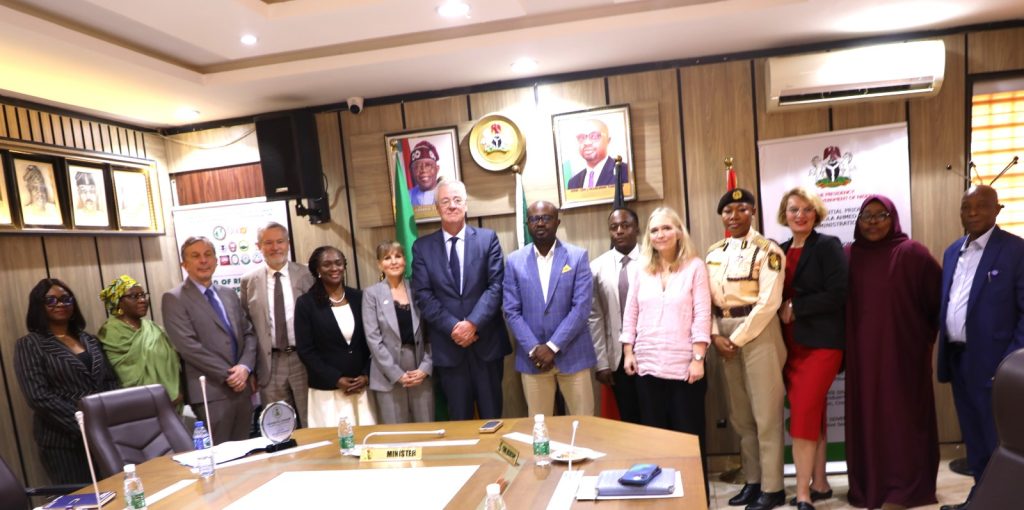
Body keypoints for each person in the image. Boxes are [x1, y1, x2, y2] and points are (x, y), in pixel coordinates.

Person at [846, 195, 941, 509]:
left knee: (902, 420)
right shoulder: (849, 255)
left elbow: (938, 300)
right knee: (869, 417)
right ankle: (870, 486)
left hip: (903, 355)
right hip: (862, 357)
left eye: (881, 215)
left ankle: (905, 487)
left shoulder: (912, 253)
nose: (873, 222)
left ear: (893, 218)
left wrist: (920, 337)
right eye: (866, 216)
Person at [937, 185, 1024, 510]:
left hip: (996, 364)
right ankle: (980, 497)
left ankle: (1005, 502)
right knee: (973, 438)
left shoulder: (1015, 250)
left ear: (997, 210)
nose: (972, 212)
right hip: (960, 359)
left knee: (998, 441)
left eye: (981, 205)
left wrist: (1010, 364)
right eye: (966, 206)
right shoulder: (951, 252)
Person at [705, 188, 786, 510]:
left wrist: (735, 339)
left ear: (752, 211)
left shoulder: (768, 251)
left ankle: (773, 487)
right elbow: (705, 301)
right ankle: (753, 482)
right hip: (723, 333)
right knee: (741, 417)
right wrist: (715, 336)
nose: (734, 216)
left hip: (758, 334)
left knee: (766, 416)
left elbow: (769, 303)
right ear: (721, 216)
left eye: (741, 209)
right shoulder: (714, 253)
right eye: (728, 211)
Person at [620, 206, 710, 495]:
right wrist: (628, 351)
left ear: (679, 232)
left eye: (666, 228)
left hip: (685, 368)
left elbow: (702, 314)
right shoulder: (640, 268)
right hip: (647, 366)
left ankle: (695, 497)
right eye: (655, 230)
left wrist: (698, 358)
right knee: (656, 440)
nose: (660, 234)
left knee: (688, 439)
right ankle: (662, 498)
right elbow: (630, 312)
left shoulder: (695, 267)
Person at [412, 180, 511, 420]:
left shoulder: (488, 239)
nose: (452, 206)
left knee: (492, 418)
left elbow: (496, 286)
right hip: (449, 347)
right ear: (437, 208)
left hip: (486, 344)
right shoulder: (422, 247)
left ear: (466, 205)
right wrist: (454, 327)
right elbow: (423, 294)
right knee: (459, 420)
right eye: (445, 201)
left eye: (457, 200)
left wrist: (472, 324)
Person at [774, 188, 845, 510]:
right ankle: (820, 482)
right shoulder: (779, 250)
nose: (800, 215)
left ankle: (802, 493)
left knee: (802, 413)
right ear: (784, 215)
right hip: (788, 346)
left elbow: (839, 292)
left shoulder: (828, 246)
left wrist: (797, 307)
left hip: (821, 346)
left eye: (806, 209)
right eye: (793, 210)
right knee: (812, 412)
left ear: (816, 214)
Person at [14, 278, 119, 484]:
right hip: (64, 441)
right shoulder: (30, 344)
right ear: (38, 306)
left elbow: (110, 380)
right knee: (82, 497)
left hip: (105, 433)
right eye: (51, 300)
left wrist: (107, 421)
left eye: (66, 299)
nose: (60, 304)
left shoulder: (90, 339)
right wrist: (84, 425)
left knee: (115, 491)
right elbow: (38, 396)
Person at [504, 201, 596, 417]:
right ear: (528, 224)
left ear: (557, 222)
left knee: (584, 424)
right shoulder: (514, 261)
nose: (540, 223)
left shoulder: (577, 256)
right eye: (534, 219)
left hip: (573, 355)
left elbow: (581, 308)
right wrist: (535, 349)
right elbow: (511, 311)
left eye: (546, 218)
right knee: (539, 425)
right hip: (533, 359)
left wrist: (552, 347)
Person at [162, 236, 258, 443]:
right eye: (195, 256)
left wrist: (244, 368)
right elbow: (188, 347)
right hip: (210, 392)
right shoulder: (174, 298)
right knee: (221, 454)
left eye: (208, 255)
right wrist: (230, 376)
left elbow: (249, 333)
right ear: (184, 264)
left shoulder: (228, 294)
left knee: (245, 450)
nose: (203, 260)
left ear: (216, 260)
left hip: (242, 389)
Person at [240, 222, 315, 425]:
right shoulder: (248, 281)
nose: (275, 247)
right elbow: (246, 328)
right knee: (279, 427)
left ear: (288, 244)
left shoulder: (308, 275)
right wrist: (251, 369)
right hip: (269, 364)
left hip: (303, 360)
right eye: (268, 243)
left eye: (280, 241)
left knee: (311, 421)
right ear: (259, 246)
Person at [295, 246, 374, 426]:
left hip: (361, 389)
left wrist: (366, 375)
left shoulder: (359, 297)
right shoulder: (306, 304)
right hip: (327, 393)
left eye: (338, 263)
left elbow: (372, 341)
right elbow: (306, 351)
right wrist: (335, 379)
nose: (334, 268)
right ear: (317, 270)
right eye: (327, 264)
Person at [362, 241, 434, 423]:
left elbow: (432, 332)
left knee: (426, 431)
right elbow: (373, 339)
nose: (393, 262)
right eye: (387, 258)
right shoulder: (371, 294)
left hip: (420, 374)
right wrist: (397, 374)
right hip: (387, 376)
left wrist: (426, 368)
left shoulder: (419, 290)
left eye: (398, 256)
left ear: (405, 261)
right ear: (379, 264)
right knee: (396, 434)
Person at [588, 207, 643, 423]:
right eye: (614, 227)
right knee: (629, 419)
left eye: (625, 225)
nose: (619, 231)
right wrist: (602, 362)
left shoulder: (653, 260)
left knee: (655, 417)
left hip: (652, 353)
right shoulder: (596, 267)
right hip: (617, 358)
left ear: (637, 228)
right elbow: (594, 318)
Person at [97, 275, 181, 407]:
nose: (142, 300)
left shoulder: (154, 328)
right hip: (136, 406)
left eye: (143, 295)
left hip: (173, 401)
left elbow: (174, 361)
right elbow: (121, 373)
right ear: (118, 302)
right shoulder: (110, 332)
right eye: (133, 296)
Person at [566, 118, 628, 190]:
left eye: (594, 136)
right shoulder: (573, 183)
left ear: (608, 140)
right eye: (581, 138)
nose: (587, 143)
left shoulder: (624, 171)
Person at [408, 140, 442, 206]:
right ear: (412, 171)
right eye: (417, 166)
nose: (423, 170)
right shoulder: (406, 197)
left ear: (437, 169)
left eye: (428, 165)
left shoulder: (449, 194)